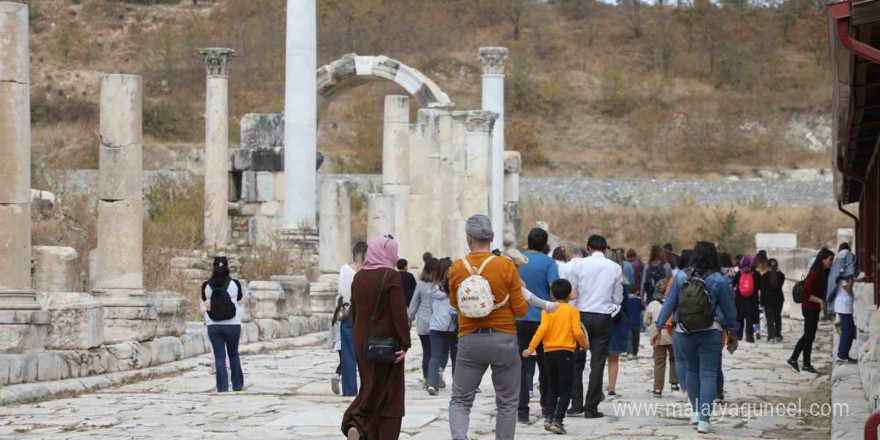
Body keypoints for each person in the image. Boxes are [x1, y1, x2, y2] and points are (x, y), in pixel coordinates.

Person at [447, 215, 528, 440]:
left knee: (461, 400)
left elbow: (455, 304)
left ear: (468, 239)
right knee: (507, 402)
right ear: (492, 237)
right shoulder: (505, 265)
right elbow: (521, 310)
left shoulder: (456, 267)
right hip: (504, 339)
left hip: (470, 339)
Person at [654, 242, 739, 434]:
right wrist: (733, 331)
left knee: (692, 370)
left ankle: (695, 412)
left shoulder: (681, 276)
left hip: (683, 331)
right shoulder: (719, 279)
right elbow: (729, 309)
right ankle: (704, 420)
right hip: (711, 330)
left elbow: (669, 303)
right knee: (708, 373)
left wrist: (659, 326)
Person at [342, 236, 412, 440]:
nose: (396, 255)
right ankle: (356, 421)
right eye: (394, 251)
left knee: (370, 385)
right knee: (391, 394)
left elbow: (355, 310)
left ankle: (362, 428)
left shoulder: (359, 277)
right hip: (388, 345)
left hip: (363, 343)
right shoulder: (391, 276)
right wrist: (405, 343)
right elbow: (399, 314)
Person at [523, 279, 588, 435]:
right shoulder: (573, 311)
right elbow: (578, 332)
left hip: (548, 353)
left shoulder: (547, 310)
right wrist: (584, 344)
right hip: (566, 353)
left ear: (551, 294)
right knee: (566, 389)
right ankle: (558, 421)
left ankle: (549, 417)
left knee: (553, 387)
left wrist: (530, 348)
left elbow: (542, 330)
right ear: (569, 295)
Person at [568, 235, 624, 418]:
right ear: (606, 249)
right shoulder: (615, 267)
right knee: (598, 363)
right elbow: (618, 298)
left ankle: (576, 404)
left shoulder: (578, 264)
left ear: (588, 247)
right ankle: (591, 407)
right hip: (602, 317)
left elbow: (573, 292)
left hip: (581, 316)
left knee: (577, 362)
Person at [516, 228, 560, 423]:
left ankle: (522, 411)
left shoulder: (517, 261)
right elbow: (555, 289)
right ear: (544, 244)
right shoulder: (549, 263)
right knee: (546, 366)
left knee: (521, 367)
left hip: (519, 319)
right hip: (543, 320)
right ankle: (546, 406)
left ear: (527, 241)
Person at [786, 248, 834, 375]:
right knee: (809, 336)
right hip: (809, 307)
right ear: (822, 260)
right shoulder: (814, 274)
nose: (832, 262)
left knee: (809, 335)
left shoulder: (826, 272)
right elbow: (805, 293)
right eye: (830, 259)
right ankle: (805, 364)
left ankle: (794, 359)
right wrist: (820, 301)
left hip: (814, 308)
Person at [201, 256, 245, 393]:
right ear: (227, 267)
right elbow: (239, 298)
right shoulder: (235, 284)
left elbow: (205, 299)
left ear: (213, 268)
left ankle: (222, 387)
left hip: (213, 324)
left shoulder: (206, 285)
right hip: (233, 324)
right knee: (233, 354)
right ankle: (237, 384)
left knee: (220, 356)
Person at [338, 242, 367, 397]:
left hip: (349, 311)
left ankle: (350, 390)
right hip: (364, 312)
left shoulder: (345, 269)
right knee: (365, 352)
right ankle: (367, 388)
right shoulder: (368, 270)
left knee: (348, 352)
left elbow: (341, 291)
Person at [427, 258, 458, 395]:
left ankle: (432, 384)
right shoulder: (455, 287)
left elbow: (431, 308)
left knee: (435, 356)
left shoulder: (432, 287)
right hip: (452, 325)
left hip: (436, 325)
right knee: (455, 356)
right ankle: (457, 385)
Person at [409, 258, 441, 387]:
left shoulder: (420, 284)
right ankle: (435, 376)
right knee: (437, 352)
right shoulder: (440, 284)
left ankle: (427, 378)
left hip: (423, 323)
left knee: (427, 352)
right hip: (438, 323)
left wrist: (409, 319)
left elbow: (414, 303)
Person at [644, 283, 678, 397]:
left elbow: (646, 321)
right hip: (672, 335)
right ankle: (674, 383)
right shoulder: (675, 302)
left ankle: (658, 389)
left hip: (657, 337)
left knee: (659, 362)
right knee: (674, 359)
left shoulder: (652, 304)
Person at [605, 248, 629, 398]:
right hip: (618, 321)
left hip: (602, 318)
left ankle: (596, 387)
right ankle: (611, 389)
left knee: (599, 356)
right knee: (614, 358)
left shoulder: (600, 281)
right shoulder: (624, 282)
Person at [828, 243, 859, 363]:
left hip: (843, 304)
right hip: (844, 304)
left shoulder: (839, 271)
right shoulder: (844, 276)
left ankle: (844, 354)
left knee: (848, 329)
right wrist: (851, 279)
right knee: (848, 330)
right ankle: (841, 355)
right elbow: (848, 289)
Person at [732, 255, 761, 343]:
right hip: (752, 301)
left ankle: (739, 336)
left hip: (740, 300)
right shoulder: (756, 274)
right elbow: (760, 287)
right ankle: (749, 337)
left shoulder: (739, 273)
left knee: (739, 319)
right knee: (750, 320)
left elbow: (733, 285)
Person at [761, 258, 786, 343]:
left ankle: (771, 336)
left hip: (768, 299)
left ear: (768, 265)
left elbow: (763, 290)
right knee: (777, 316)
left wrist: (762, 302)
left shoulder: (765, 276)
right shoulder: (781, 275)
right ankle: (778, 335)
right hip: (779, 298)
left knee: (770, 318)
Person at [329, 297, 344, 395]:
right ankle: (337, 376)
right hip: (344, 342)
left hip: (338, 342)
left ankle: (338, 377)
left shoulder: (335, 315)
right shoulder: (344, 314)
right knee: (346, 362)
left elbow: (331, 331)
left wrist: (331, 344)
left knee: (343, 361)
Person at [626, 286, 644, 357]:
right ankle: (635, 352)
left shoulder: (626, 300)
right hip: (637, 321)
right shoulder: (638, 300)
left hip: (628, 322)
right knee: (636, 338)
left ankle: (629, 352)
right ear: (637, 291)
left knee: (629, 338)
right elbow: (642, 308)